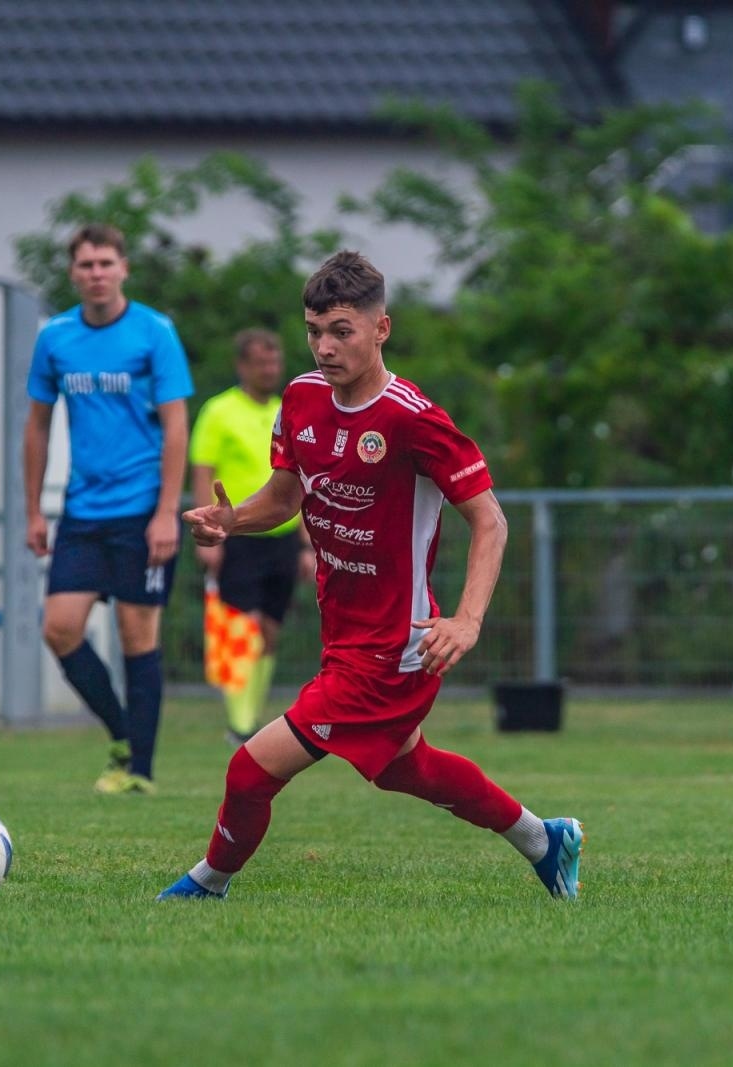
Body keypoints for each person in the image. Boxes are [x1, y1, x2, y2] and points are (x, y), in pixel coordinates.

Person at [162, 251, 583, 901]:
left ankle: (207, 883)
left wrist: (467, 620)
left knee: (250, 769)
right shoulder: (300, 398)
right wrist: (233, 520)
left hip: (394, 645)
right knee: (404, 768)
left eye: (341, 331)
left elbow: (491, 521)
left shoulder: (413, 418)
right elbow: (285, 496)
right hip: (344, 630)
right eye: (313, 331)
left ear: (380, 328)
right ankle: (543, 840)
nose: (324, 347)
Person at [24, 223, 192, 794]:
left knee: (137, 634)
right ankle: (123, 734)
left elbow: (176, 426)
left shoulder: (154, 331)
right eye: (86, 264)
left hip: (142, 510)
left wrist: (166, 513)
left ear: (123, 268)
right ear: (73, 272)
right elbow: (37, 425)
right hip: (82, 511)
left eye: (105, 263)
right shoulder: (56, 337)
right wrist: (33, 510)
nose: (96, 273)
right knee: (59, 628)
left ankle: (139, 771)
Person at [188, 328, 315, 744]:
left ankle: (250, 717)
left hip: (282, 535)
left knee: (270, 631)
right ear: (242, 366)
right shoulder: (219, 411)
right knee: (243, 628)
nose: (269, 370)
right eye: (261, 362)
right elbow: (203, 471)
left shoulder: (286, 410)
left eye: (274, 362)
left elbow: (299, 482)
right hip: (238, 533)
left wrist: (306, 544)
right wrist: (209, 531)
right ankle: (240, 724)